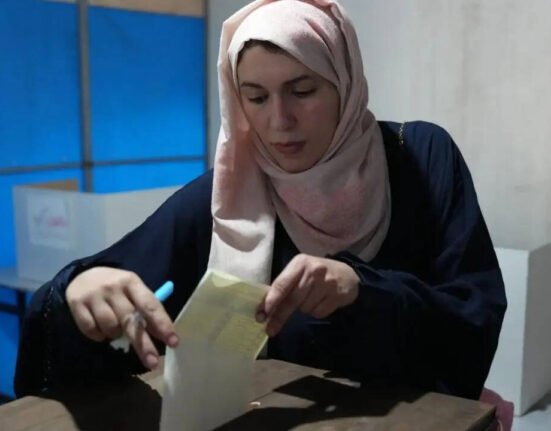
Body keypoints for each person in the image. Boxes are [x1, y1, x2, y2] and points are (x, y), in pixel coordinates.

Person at [15, 0, 506, 407]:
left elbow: (475, 316)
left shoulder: (420, 157)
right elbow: (90, 319)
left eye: (302, 91)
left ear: (345, 81)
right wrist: (79, 291)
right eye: (255, 97)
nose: (279, 121)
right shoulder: (229, 198)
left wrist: (363, 290)